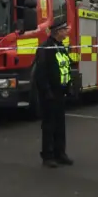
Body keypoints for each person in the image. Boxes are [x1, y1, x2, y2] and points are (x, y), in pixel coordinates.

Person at [34, 21, 74, 168]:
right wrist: (46, 91)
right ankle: (48, 156)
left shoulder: (61, 47)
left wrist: (68, 86)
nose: (67, 32)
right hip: (49, 93)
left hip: (60, 92)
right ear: (58, 31)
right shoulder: (45, 48)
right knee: (49, 125)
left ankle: (60, 153)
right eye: (65, 29)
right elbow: (41, 73)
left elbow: (65, 67)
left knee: (60, 125)